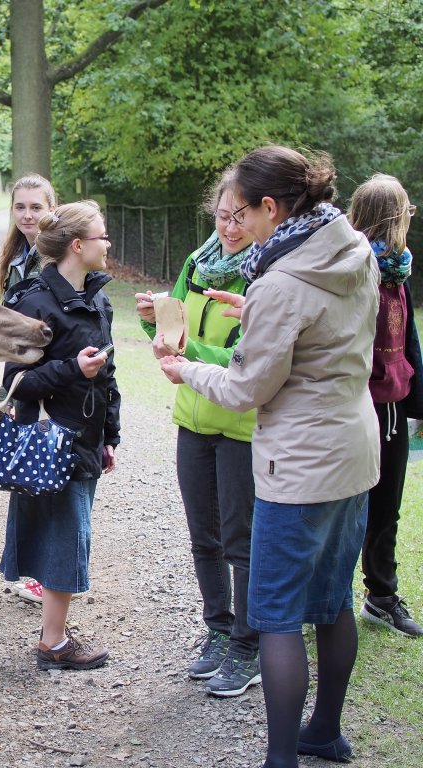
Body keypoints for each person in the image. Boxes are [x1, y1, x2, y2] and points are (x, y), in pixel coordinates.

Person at [159, 146, 379, 767]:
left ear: (271, 207)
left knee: (277, 616)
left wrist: (185, 369)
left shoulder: (281, 282)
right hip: (353, 454)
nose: (239, 226)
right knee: (333, 602)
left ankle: (280, 758)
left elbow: (247, 388)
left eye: (244, 215)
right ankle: (324, 731)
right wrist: (252, 310)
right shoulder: (352, 250)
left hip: (300, 467)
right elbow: (324, 330)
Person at [134, 170, 261, 696]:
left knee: (240, 540)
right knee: (203, 537)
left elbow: (248, 357)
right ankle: (218, 631)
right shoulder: (197, 261)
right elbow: (174, 335)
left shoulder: (266, 273)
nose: (229, 228)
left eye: (240, 217)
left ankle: (248, 647)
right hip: (192, 418)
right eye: (223, 215)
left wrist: (190, 357)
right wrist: (153, 321)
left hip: (240, 425)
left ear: (261, 215)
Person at [1, 201, 120, 671]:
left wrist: (110, 435)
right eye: (101, 236)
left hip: (86, 439)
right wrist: (72, 369)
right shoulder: (35, 303)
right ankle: (53, 643)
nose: (107, 244)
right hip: (50, 442)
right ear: (77, 245)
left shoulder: (98, 298)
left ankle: (54, 637)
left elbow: (109, 376)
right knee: (66, 538)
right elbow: (16, 382)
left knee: (68, 537)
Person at [348, 174, 423, 638]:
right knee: (343, 508)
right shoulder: (354, 271)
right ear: (393, 217)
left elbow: (408, 338)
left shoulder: (397, 271)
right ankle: (327, 600)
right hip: (356, 407)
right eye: (406, 211)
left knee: (386, 508)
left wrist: (418, 403)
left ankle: (381, 596)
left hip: (392, 406)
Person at [0, 173, 57, 604]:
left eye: (37, 207)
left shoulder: (58, 256)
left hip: (54, 380)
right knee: (26, 476)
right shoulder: (16, 260)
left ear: (52, 208)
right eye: (21, 207)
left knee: (49, 476)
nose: (28, 215)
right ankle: (26, 570)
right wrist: (8, 395)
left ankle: (48, 569)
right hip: (24, 381)